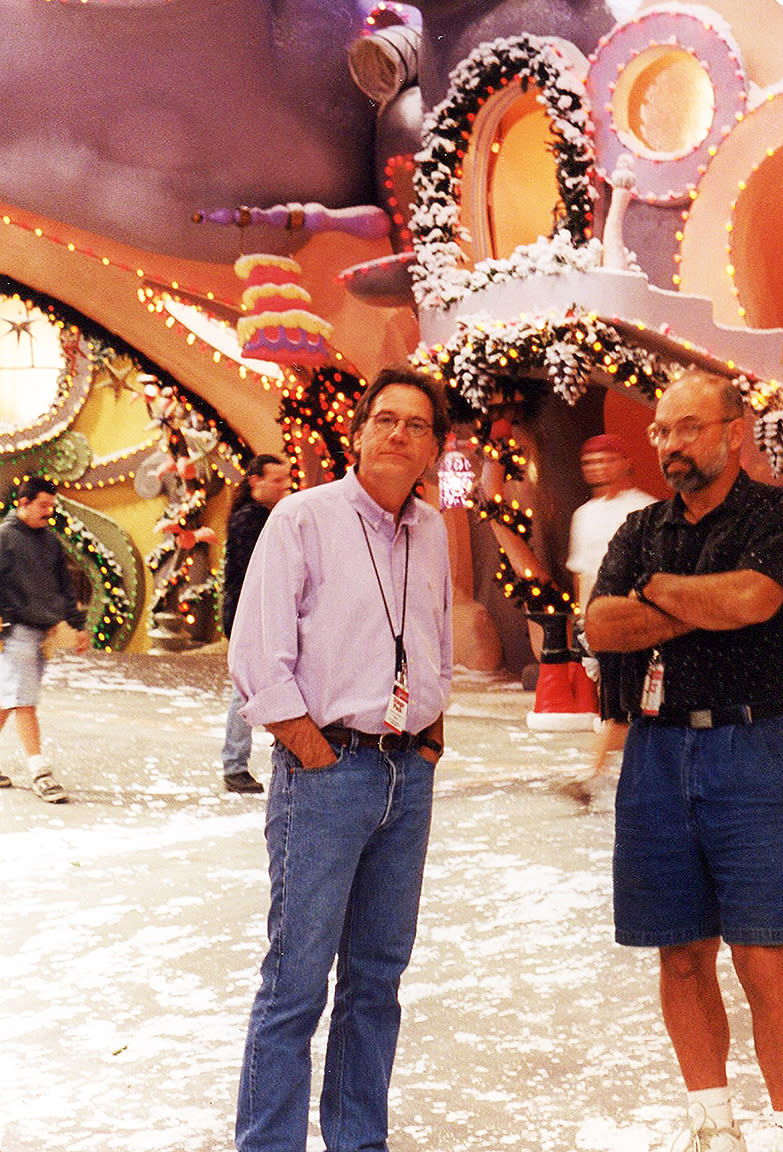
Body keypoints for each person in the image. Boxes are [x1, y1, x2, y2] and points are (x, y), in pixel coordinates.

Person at [586, 371, 783, 1152]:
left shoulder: (780, 516)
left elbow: (754, 601)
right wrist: (698, 603)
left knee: (764, 954)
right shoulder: (642, 528)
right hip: (654, 751)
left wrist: (658, 599)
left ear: (734, 430)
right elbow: (602, 627)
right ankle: (712, 1127)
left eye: (688, 427)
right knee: (681, 953)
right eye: (661, 432)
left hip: (755, 748)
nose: (672, 445)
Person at [228, 366, 452, 1152]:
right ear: (357, 432)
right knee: (295, 985)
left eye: (416, 424)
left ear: (433, 447)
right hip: (326, 778)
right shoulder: (304, 517)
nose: (398, 433)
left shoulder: (433, 533)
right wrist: (314, 755)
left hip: (406, 777)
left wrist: (430, 735)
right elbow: (257, 653)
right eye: (385, 419)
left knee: (376, 983)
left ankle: (360, 1142)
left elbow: (438, 643)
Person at [564, 433, 654, 799]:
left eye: (605, 459)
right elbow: (581, 572)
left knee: (625, 704)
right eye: (590, 462)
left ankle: (597, 772)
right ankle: (609, 772)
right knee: (615, 702)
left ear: (625, 462)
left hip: (633, 621)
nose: (598, 468)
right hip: (596, 623)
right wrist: (583, 623)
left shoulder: (646, 509)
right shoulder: (583, 516)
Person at [0, 475, 90, 804]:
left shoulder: (49, 541)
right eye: (43, 505)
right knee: (24, 700)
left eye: (52, 505)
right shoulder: (5, 537)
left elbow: (64, 585)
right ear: (23, 503)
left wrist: (77, 624)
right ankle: (40, 771)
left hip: (41, 632)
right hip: (14, 632)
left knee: (9, 698)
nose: (49, 511)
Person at [220, 454, 291, 793]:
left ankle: (245, 760)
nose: (284, 486)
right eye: (276, 480)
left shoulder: (264, 516)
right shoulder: (252, 520)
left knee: (259, 687)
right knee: (246, 690)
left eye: (285, 479)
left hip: (257, 614)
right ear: (255, 481)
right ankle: (234, 765)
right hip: (250, 616)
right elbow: (260, 572)